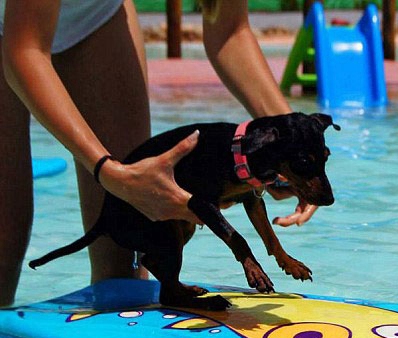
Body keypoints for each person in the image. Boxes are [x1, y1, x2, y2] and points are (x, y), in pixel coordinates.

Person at [0, 0, 315, 307]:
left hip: (97, 12)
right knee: (4, 247)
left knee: (127, 260)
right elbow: (25, 51)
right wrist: (109, 172)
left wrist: (291, 147)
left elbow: (229, 31)